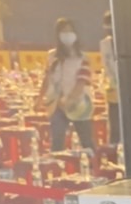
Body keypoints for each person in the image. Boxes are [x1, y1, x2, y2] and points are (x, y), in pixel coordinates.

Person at [38, 17, 95, 152]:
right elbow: (47, 77)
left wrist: (69, 100)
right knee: (57, 142)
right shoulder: (52, 56)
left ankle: (92, 162)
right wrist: (40, 97)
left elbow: (81, 82)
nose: (67, 34)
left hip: (79, 105)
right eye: (64, 31)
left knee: (86, 141)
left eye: (70, 31)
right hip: (56, 105)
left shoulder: (83, 57)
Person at [100, 9, 120, 148]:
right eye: (107, 25)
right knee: (114, 126)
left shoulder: (126, 42)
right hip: (113, 91)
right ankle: (114, 147)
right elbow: (106, 66)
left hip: (127, 92)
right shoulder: (104, 44)